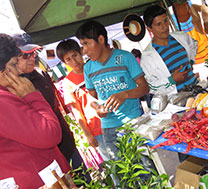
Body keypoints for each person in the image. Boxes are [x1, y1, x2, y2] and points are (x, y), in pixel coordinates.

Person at [12, 32, 91, 183]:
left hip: (67, 145)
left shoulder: (41, 74)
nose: (32, 58)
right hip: (46, 158)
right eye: (25, 55)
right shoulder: (11, 87)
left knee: (86, 183)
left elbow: (56, 109)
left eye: (34, 53)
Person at [0, 33, 72, 188]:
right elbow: (50, 133)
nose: (18, 69)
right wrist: (32, 96)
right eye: (13, 64)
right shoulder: (2, 100)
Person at [75, 20, 150, 161]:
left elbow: (144, 87)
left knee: (146, 168)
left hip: (133, 122)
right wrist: (97, 107)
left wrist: (125, 94)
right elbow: (92, 97)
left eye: (86, 44)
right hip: (108, 129)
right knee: (125, 177)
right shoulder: (88, 68)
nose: (84, 50)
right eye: (82, 45)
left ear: (101, 39)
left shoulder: (125, 57)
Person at [56, 39, 110, 161]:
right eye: (68, 59)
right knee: (115, 166)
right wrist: (87, 134)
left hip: (114, 119)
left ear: (81, 52)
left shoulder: (96, 67)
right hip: (97, 129)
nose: (74, 61)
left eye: (75, 55)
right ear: (64, 62)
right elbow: (77, 111)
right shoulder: (68, 83)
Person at [141, 5, 199, 96]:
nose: (164, 27)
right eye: (158, 24)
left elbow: (193, 45)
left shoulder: (181, 37)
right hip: (178, 102)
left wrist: (191, 61)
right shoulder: (147, 57)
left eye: (165, 21)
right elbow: (150, 86)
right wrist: (171, 80)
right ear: (149, 28)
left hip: (197, 91)